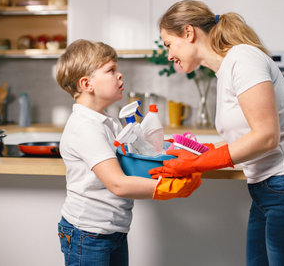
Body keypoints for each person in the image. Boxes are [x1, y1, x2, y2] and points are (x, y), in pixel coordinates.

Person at [149, 0, 284, 266]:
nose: (168, 55)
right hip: (269, 191)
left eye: (169, 44)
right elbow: (243, 140)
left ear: (188, 33)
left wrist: (197, 164)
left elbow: (266, 136)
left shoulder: (243, 59)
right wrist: (191, 154)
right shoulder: (226, 69)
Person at [55, 39, 201, 266]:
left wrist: (168, 155)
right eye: (110, 70)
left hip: (110, 230)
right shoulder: (85, 127)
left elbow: (130, 162)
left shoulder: (108, 122)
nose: (120, 75)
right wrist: (168, 188)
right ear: (86, 84)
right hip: (88, 233)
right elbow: (118, 184)